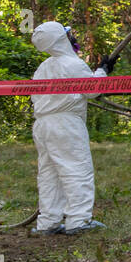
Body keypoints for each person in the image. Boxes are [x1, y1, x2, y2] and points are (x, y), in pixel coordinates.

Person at [29, 21, 109, 237]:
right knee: (76, 169)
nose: (73, 37)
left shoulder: (43, 67)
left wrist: (100, 72)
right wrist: (103, 71)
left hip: (42, 125)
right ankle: (78, 220)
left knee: (49, 174)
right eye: (68, 34)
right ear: (60, 39)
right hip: (65, 124)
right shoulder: (72, 64)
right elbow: (93, 90)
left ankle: (48, 223)